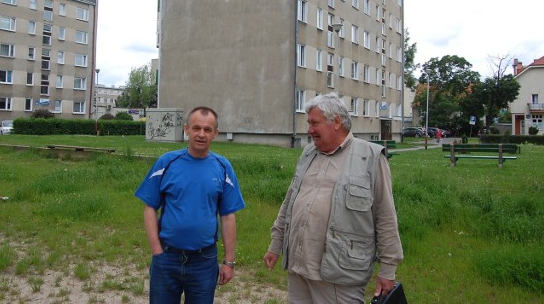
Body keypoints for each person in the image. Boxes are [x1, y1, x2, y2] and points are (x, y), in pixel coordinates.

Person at [263, 93, 403, 304]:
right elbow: (290, 201)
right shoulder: (308, 153)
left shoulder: (371, 157)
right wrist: (276, 244)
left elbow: (385, 216)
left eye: (314, 123)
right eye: (308, 123)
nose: (309, 130)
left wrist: (388, 268)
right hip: (299, 267)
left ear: (336, 122)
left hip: (340, 274)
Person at [135, 106, 246, 304]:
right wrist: (156, 250)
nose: (201, 134)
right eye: (196, 128)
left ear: (215, 133)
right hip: (167, 257)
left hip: (204, 261)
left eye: (207, 129)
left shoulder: (223, 167)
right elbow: (150, 207)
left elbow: (228, 216)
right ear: (186, 129)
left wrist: (229, 262)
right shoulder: (167, 163)